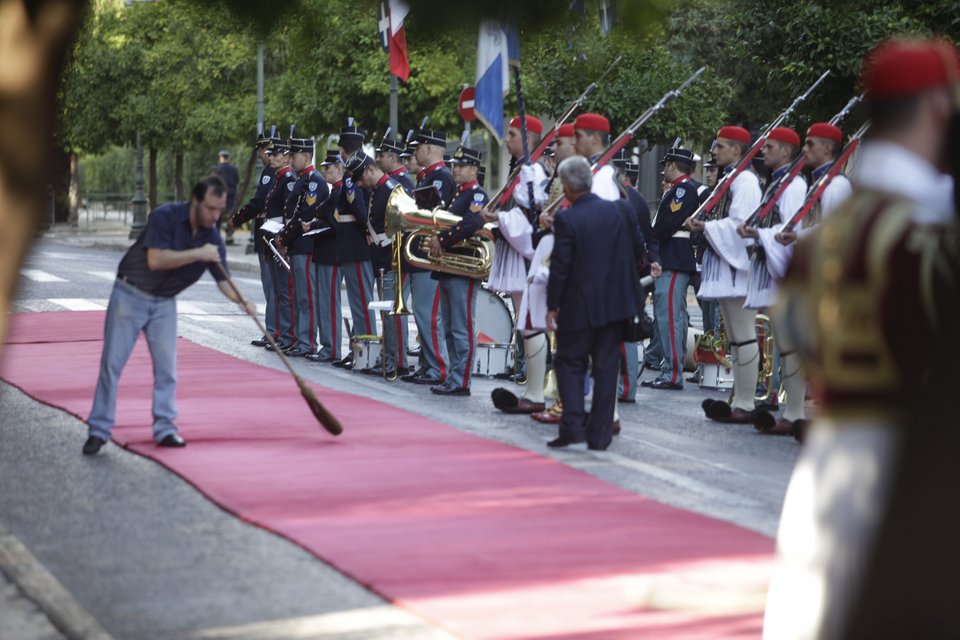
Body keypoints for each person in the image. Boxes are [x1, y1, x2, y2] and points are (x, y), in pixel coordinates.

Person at [763, 38, 960, 640]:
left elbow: (796, 329)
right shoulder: (929, 235)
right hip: (914, 473)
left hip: (828, 464)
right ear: (938, 108)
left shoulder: (827, 235)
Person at [83, 176, 256, 455]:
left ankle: (165, 428)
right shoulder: (165, 216)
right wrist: (198, 253)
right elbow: (156, 260)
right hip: (130, 294)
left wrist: (243, 301)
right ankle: (99, 430)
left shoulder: (212, 237)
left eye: (220, 210)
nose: (215, 216)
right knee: (112, 364)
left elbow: (223, 280)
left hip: (164, 302)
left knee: (167, 369)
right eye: (210, 208)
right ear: (195, 201)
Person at [545, 156, 643, 450]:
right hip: (614, 303)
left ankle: (572, 425)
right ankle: (600, 435)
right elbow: (638, 249)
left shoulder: (567, 218)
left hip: (578, 304)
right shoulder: (619, 211)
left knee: (569, 362)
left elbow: (560, 266)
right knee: (606, 368)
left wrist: (553, 305)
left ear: (567, 187)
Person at [685, 125, 762, 423]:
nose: (714, 151)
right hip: (726, 265)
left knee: (744, 335)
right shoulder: (730, 178)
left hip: (738, 267)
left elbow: (740, 225)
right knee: (735, 339)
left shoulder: (745, 181)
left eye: (720, 146)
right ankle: (739, 398)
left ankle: (747, 402)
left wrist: (706, 226)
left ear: (737, 150)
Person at [736, 127, 807, 434]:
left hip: (782, 270)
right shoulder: (777, 182)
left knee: (789, 345)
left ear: (786, 151)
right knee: (783, 343)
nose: (763, 151)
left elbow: (790, 231)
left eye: (770, 147)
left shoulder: (793, 185)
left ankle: (795, 412)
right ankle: (787, 411)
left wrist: (759, 234)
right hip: (769, 266)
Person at [427, 143, 487, 396]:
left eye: (462, 166)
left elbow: (472, 222)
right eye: (455, 165)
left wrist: (442, 239)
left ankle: (461, 380)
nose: (456, 169)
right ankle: (454, 377)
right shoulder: (457, 196)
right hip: (448, 267)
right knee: (450, 328)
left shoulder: (476, 195)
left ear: (474, 169)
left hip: (463, 268)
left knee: (462, 328)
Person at [346, 150, 410, 376]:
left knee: (393, 315)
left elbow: (404, 225)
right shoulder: (377, 190)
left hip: (393, 259)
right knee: (387, 314)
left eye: (361, 178)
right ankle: (389, 357)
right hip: (382, 260)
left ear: (371, 169)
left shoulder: (391, 190)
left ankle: (397, 361)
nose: (359, 183)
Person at [643, 147, 702, 390]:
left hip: (673, 258)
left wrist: (648, 240)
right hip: (672, 257)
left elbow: (666, 223)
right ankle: (670, 369)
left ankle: (672, 373)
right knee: (671, 317)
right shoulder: (679, 189)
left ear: (672, 165)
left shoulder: (682, 190)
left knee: (669, 318)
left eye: (666, 165)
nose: (664, 170)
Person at [399, 128, 452, 386]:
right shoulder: (427, 177)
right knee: (422, 313)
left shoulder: (440, 177)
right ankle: (426, 363)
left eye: (418, 147)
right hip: (420, 253)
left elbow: (437, 217)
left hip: (430, 255)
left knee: (427, 314)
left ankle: (437, 367)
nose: (415, 152)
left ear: (429, 148)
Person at [331, 122, 377, 368]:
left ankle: (367, 352)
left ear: (343, 149)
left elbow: (360, 210)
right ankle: (360, 348)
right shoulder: (360, 166)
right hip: (353, 243)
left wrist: (365, 230)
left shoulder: (353, 170)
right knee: (358, 302)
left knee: (362, 303)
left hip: (356, 244)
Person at [278, 133, 328, 357]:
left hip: (305, 245)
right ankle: (300, 340)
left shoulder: (314, 181)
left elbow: (305, 215)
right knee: (299, 296)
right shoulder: (302, 179)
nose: (290, 159)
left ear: (307, 156)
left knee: (306, 297)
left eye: (294, 155)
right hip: (297, 244)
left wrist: (285, 238)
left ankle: (307, 342)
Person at [230, 127, 277, 347]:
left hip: (268, 233)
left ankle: (273, 332)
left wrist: (237, 219)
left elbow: (258, 202)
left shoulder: (270, 172)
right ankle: (277, 331)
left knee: (271, 286)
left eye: (260, 151)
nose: (259, 156)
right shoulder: (278, 172)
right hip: (275, 233)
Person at [304, 150, 346, 363]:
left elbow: (335, 223)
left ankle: (332, 348)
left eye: (328, 168)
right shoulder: (334, 192)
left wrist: (314, 225)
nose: (325, 171)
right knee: (323, 302)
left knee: (329, 303)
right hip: (324, 252)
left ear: (339, 169)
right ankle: (327, 345)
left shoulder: (340, 192)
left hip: (332, 253)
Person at [213, 149, 240, 244]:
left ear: (221, 157)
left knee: (218, 213)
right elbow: (237, 180)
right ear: (228, 158)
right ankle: (229, 235)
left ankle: (216, 235)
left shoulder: (217, 168)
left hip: (220, 192)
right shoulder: (234, 169)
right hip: (231, 192)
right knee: (230, 214)